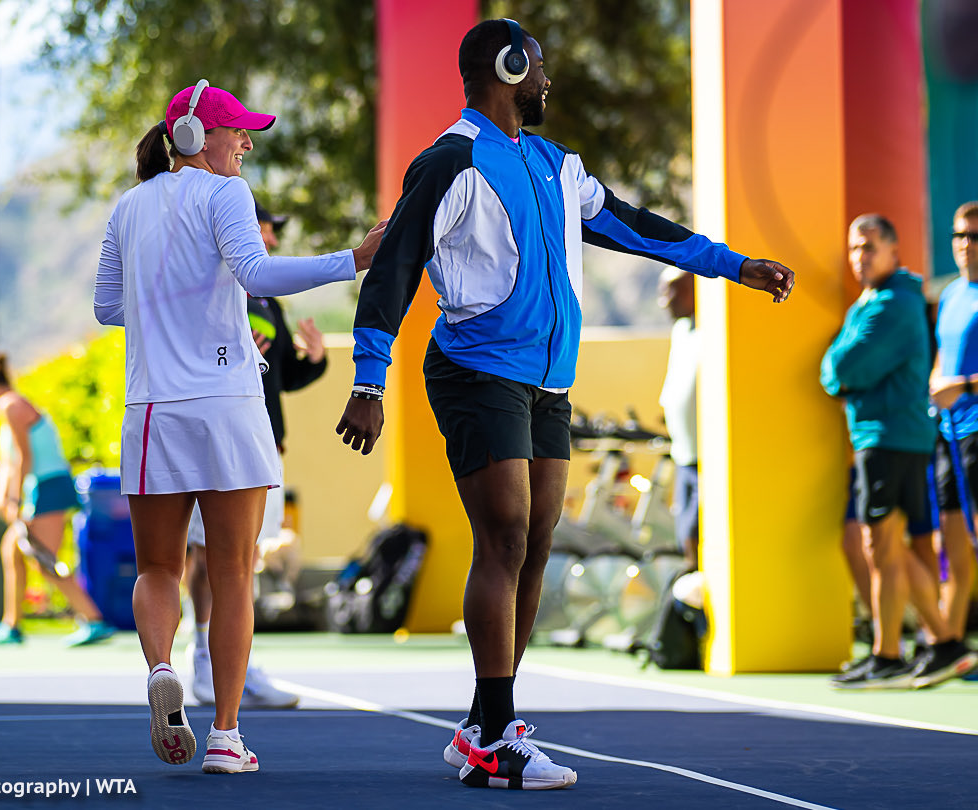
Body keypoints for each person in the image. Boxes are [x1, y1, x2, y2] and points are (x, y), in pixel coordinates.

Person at [335, 19, 794, 791]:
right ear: (510, 69)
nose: (547, 81)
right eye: (538, 67)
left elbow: (635, 227)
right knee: (506, 536)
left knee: (536, 543)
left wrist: (730, 265)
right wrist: (369, 380)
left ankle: (486, 725)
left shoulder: (555, 165)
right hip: (475, 369)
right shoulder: (449, 161)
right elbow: (395, 271)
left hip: (546, 382)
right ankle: (495, 734)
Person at [94, 79, 385, 774]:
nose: (248, 142)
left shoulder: (127, 208)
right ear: (196, 136)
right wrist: (354, 259)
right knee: (231, 575)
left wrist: (172, 314)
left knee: (160, 567)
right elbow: (255, 270)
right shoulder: (227, 195)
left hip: (152, 411)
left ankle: (162, 665)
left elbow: (109, 308)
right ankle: (225, 735)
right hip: (226, 405)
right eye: (239, 131)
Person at [183, 202, 327, 710]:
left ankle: (235, 664)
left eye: (273, 231)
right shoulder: (209, 284)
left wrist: (316, 359)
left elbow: (282, 374)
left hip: (263, 443)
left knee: (242, 559)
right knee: (206, 552)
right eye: (265, 228)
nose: (271, 238)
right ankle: (202, 657)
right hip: (217, 437)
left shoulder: (268, 296)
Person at [820, 214, 962, 689]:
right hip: (879, 437)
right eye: (854, 248)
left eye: (869, 247)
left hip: (891, 437)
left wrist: (839, 371)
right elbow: (839, 368)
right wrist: (839, 369)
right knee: (880, 546)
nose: (860, 257)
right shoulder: (873, 301)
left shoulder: (894, 304)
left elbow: (843, 366)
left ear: (894, 250)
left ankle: (933, 644)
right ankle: (898, 649)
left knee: (883, 545)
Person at [0, 353, 116, 648]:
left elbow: (24, 456)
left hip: (49, 488)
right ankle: (11, 625)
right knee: (12, 550)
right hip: (42, 487)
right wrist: (4, 494)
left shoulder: (9, 405)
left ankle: (94, 619)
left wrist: (13, 498)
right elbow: (10, 461)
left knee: (43, 560)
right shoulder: (10, 407)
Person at [923, 199, 978, 682]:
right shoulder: (952, 295)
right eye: (959, 235)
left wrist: (967, 386)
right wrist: (938, 384)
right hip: (947, 433)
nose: (965, 245)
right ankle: (953, 648)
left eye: (975, 237)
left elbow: (963, 375)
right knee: (952, 543)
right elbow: (944, 356)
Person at [657, 268, 699, 570]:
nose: (664, 301)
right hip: (683, 455)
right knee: (685, 533)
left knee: (697, 532)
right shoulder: (682, 331)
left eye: (671, 291)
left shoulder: (715, 329)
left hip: (706, 457)